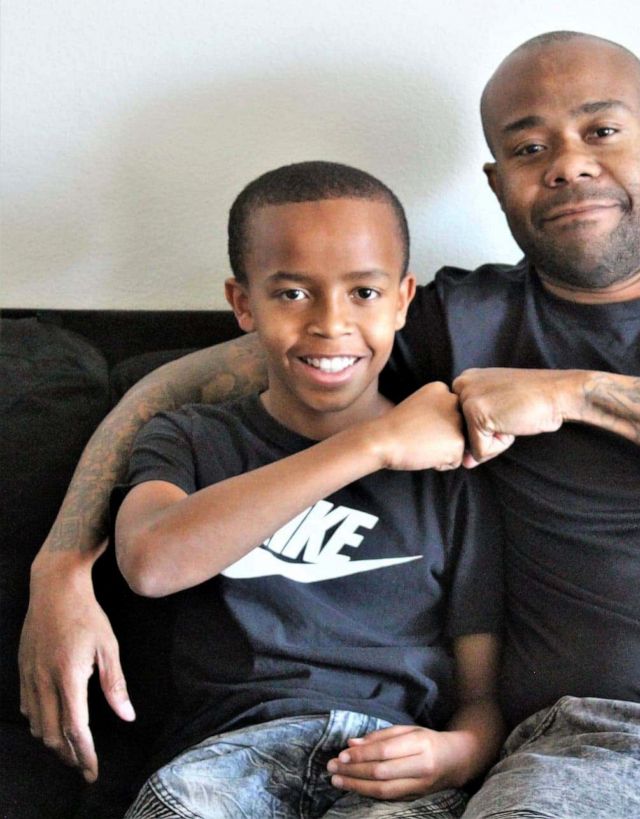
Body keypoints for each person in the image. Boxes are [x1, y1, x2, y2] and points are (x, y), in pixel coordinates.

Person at [20, 30, 640, 817]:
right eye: (528, 147)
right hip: (591, 748)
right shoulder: (456, 318)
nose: (566, 165)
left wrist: (574, 392)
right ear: (496, 184)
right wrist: (61, 565)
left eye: (599, 131)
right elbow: (176, 389)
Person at [110, 160, 503, 817]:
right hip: (224, 759)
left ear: (404, 298)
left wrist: (459, 752)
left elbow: (482, 695)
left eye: (364, 293)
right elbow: (151, 563)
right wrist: (369, 446)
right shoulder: (190, 439)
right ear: (243, 303)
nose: (330, 322)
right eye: (292, 293)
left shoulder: (454, 479)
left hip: (388, 762)